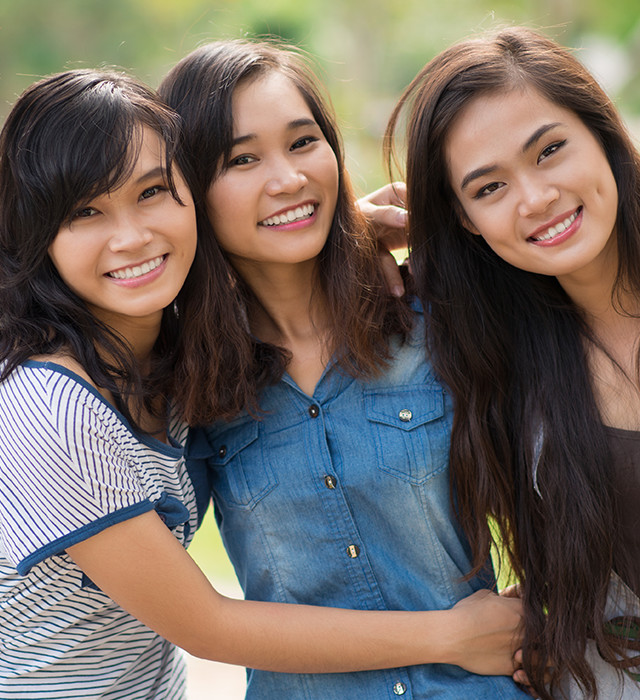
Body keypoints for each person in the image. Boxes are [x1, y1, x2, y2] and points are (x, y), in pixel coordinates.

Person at [0, 68, 525, 700]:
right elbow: (206, 624)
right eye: (84, 212)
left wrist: (338, 235)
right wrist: (450, 637)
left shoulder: (169, 364)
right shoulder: (51, 406)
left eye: (151, 192)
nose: (132, 235)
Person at [159, 39, 531, 699]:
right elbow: (192, 611)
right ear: (190, 189)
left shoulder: (432, 316)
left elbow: (570, 469)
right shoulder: (187, 377)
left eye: (303, 143)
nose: (288, 179)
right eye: (243, 159)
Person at [385, 25, 640, 700]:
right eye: (489, 187)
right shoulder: (488, 346)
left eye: (550, 150)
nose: (535, 198)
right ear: (465, 219)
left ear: (602, 136)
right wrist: (353, 235)